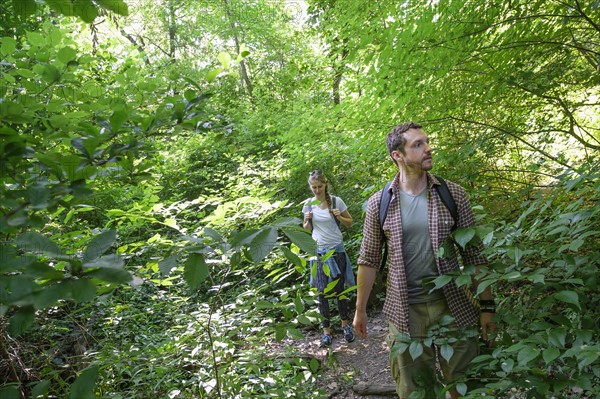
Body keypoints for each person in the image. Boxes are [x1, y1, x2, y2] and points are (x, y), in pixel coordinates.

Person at [352, 122, 496, 398]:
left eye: (426, 141)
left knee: (467, 386)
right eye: (417, 144)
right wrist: (360, 309)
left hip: (454, 305)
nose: (428, 148)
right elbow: (369, 260)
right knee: (415, 389)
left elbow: (474, 255)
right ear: (398, 155)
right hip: (405, 311)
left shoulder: (452, 194)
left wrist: (487, 306)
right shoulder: (379, 203)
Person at [303, 170, 357, 348]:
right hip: (318, 253)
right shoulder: (308, 205)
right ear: (310, 187)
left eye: (320, 186)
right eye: (313, 187)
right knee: (321, 291)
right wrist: (307, 220)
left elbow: (349, 222)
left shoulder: (336, 201)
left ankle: (345, 325)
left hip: (337, 250)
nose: (317, 190)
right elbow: (306, 230)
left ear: (325, 184)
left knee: (339, 289)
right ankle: (326, 330)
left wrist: (338, 215)